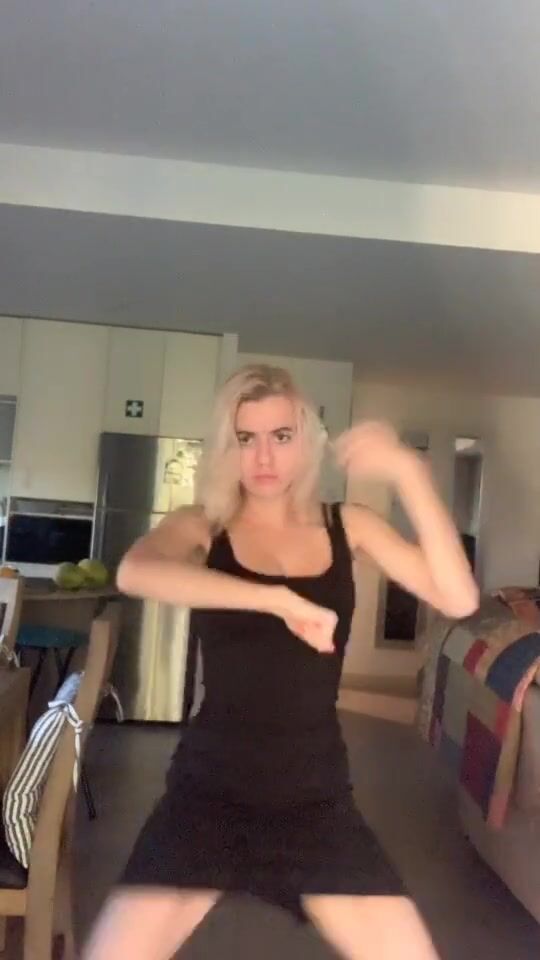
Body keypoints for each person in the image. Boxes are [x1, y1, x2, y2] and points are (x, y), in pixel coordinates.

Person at [83, 364, 478, 960]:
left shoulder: (348, 525)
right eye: (246, 438)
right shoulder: (202, 526)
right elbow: (136, 572)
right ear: (227, 447)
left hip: (315, 800)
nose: (264, 456)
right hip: (207, 796)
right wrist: (277, 600)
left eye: (281, 436)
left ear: (306, 442)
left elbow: (459, 598)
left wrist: (409, 472)